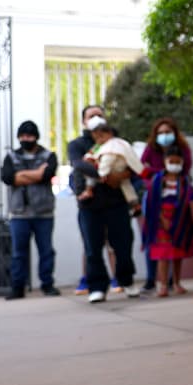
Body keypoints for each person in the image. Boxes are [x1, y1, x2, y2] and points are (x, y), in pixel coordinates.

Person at [71, 115, 141, 303]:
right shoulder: (77, 145)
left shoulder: (117, 143)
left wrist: (122, 174)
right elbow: (78, 165)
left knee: (123, 244)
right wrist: (105, 176)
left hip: (116, 203)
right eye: (90, 116)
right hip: (90, 206)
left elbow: (130, 166)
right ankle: (97, 287)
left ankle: (126, 280)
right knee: (92, 248)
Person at [0, 120, 58, 299]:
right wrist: (37, 174)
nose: (26, 139)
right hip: (19, 213)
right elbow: (9, 178)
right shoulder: (11, 156)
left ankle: (47, 285)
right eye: (23, 136)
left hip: (43, 212)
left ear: (36, 137)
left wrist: (23, 175)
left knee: (46, 251)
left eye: (30, 136)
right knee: (19, 253)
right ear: (19, 137)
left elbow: (48, 175)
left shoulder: (48, 155)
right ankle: (18, 288)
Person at [140, 117, 193, 292]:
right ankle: (156, 281)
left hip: (178, 215)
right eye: (160, 133)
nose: (164, 136)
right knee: (159, 250)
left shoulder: (183, 153)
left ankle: (175, 282)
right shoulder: (152, 155)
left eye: (167, 132)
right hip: (159, 212)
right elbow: (144, 170)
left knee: (177, 250)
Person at [79, 122, 146, 212]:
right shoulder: (101, 145)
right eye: (97, 138)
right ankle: (135, 204)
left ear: (109, 134)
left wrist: (102, 173)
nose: (99, 140)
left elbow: (107, 160)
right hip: (114, 170)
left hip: (113, 167)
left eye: (101, 136)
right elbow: (90, 154)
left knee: (92, 175)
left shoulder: (112, 145)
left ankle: (88, 190)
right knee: (126, 186)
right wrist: (88, 158)